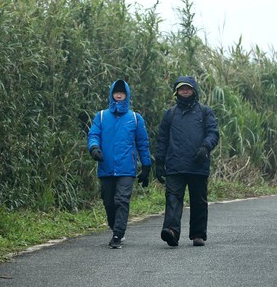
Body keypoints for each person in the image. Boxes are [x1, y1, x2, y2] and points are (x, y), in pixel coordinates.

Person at [155, 75, 219, 247]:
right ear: (176, 92)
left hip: (198, 165)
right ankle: (171, 231)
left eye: (188, 88)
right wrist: (159, 162)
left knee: (198, 201)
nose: (185, 91)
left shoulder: (205, 112)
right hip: (175, 165)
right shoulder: (170, 114)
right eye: (182, 88)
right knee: (173, 198)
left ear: (194, 90)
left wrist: (205, 148)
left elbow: (213, 133)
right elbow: (162, 139)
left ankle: (198, 234)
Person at [87, 79, 152, 248]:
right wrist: (94, 148)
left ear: (126, 95)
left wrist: (146, 166)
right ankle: (114, 226)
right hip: (106, 166)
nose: (119, 95)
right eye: (116, 92)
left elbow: (142, 144)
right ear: (112, 94)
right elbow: (93, 135)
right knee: (108, 202)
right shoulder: (101, 116)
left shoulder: (135, 118)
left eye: (122, 92)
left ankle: (117, 235)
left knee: (122, 200)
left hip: (126, 168)